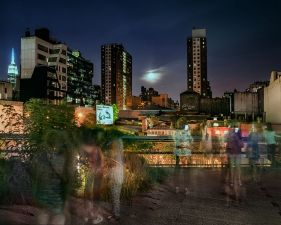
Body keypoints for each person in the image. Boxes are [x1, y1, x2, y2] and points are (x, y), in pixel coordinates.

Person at [33, 130, 70, 225]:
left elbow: (37, 175)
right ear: (59, 142)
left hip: (43, 197)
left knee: (43, 218)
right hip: (57, 198)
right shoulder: (61, 157)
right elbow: (64, 176)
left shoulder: (41, 156)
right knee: (58, 219)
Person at [79, 128, 104, 224]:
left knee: (87, 191)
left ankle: (87, 214)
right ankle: (95, 216)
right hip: (98, 173)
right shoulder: (98, 149)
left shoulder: (84, 150)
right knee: (96, 193)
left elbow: (82, 161)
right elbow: (102, 162)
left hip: (89, 172)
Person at [105, 138, 124, 222]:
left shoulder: (117, 155)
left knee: (115, 197)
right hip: (115, 178)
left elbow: (115, 164)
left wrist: (109, 163)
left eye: (114, 144)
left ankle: (116, 216)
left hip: (116, 178)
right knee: (114, 197)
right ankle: (114, 214)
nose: (112, 146)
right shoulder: (117, 154)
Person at [173, 124, 193, 195]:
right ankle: (186, 189)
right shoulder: (188, 133)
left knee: (177, 171)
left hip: (179, 153)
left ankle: (176, 188)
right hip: (186, 154)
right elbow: (192, 141)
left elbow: (175, 141)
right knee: (186, 172)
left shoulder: (177, 132)